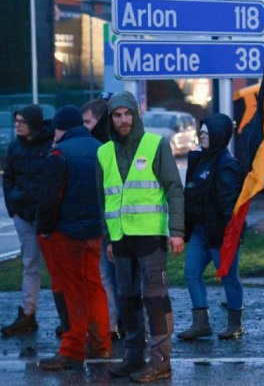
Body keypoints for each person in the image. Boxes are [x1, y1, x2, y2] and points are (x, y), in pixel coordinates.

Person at [96, 92, 184, 382]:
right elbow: (103, 199)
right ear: (111, 119)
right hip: (121, 239)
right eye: (117, 115)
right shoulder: (104, 152)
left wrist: (177, 232)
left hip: (151, 236)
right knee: (128, 299)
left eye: (127, 114)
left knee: (155, 298)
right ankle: (134, 357)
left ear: (136, 115)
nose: (123, 120)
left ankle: (161, 362)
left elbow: (174, 188)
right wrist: (109, 238)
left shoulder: (155, 145)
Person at [35, 106, 111, 370]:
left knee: (73, 292)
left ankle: (72, 349)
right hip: (95, 232)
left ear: (60, 127)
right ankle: (101, 345)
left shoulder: (59, 154)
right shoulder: (102, 149)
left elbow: (50, 199)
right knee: (94, 286)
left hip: (65, 233)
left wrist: (44, 228)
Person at [178, 114, 246, 341]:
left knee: (228, 277)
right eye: (202, 130)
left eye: (207, 131)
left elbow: (230, 207)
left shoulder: (228, 166)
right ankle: (201, 324)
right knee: (191, 273)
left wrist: (231, 238)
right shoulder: (199, 160)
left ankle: (235, 325)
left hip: (221, 235)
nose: (202, 134)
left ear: (219, 135)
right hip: (199, 231)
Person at [1, 105, 53, 336]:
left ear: (33, 123)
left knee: (57, 267)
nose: (17, 125)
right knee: (29, 264)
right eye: (16, 121)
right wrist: (13, 208)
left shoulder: (50, 144)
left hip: (48, 215)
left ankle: (69, 317)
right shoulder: (15, 147)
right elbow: (8, 177)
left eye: (22, 121)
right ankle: (28, 312)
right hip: (24, 214)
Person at [81, 98, 123, 341]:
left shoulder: (105, 148)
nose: (83, 126)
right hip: (105, 224)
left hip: (116, 225)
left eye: (87, 121)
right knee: (108, 277)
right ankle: (113, 324)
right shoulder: (100, 148)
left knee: (116, 278)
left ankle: (115, 324)